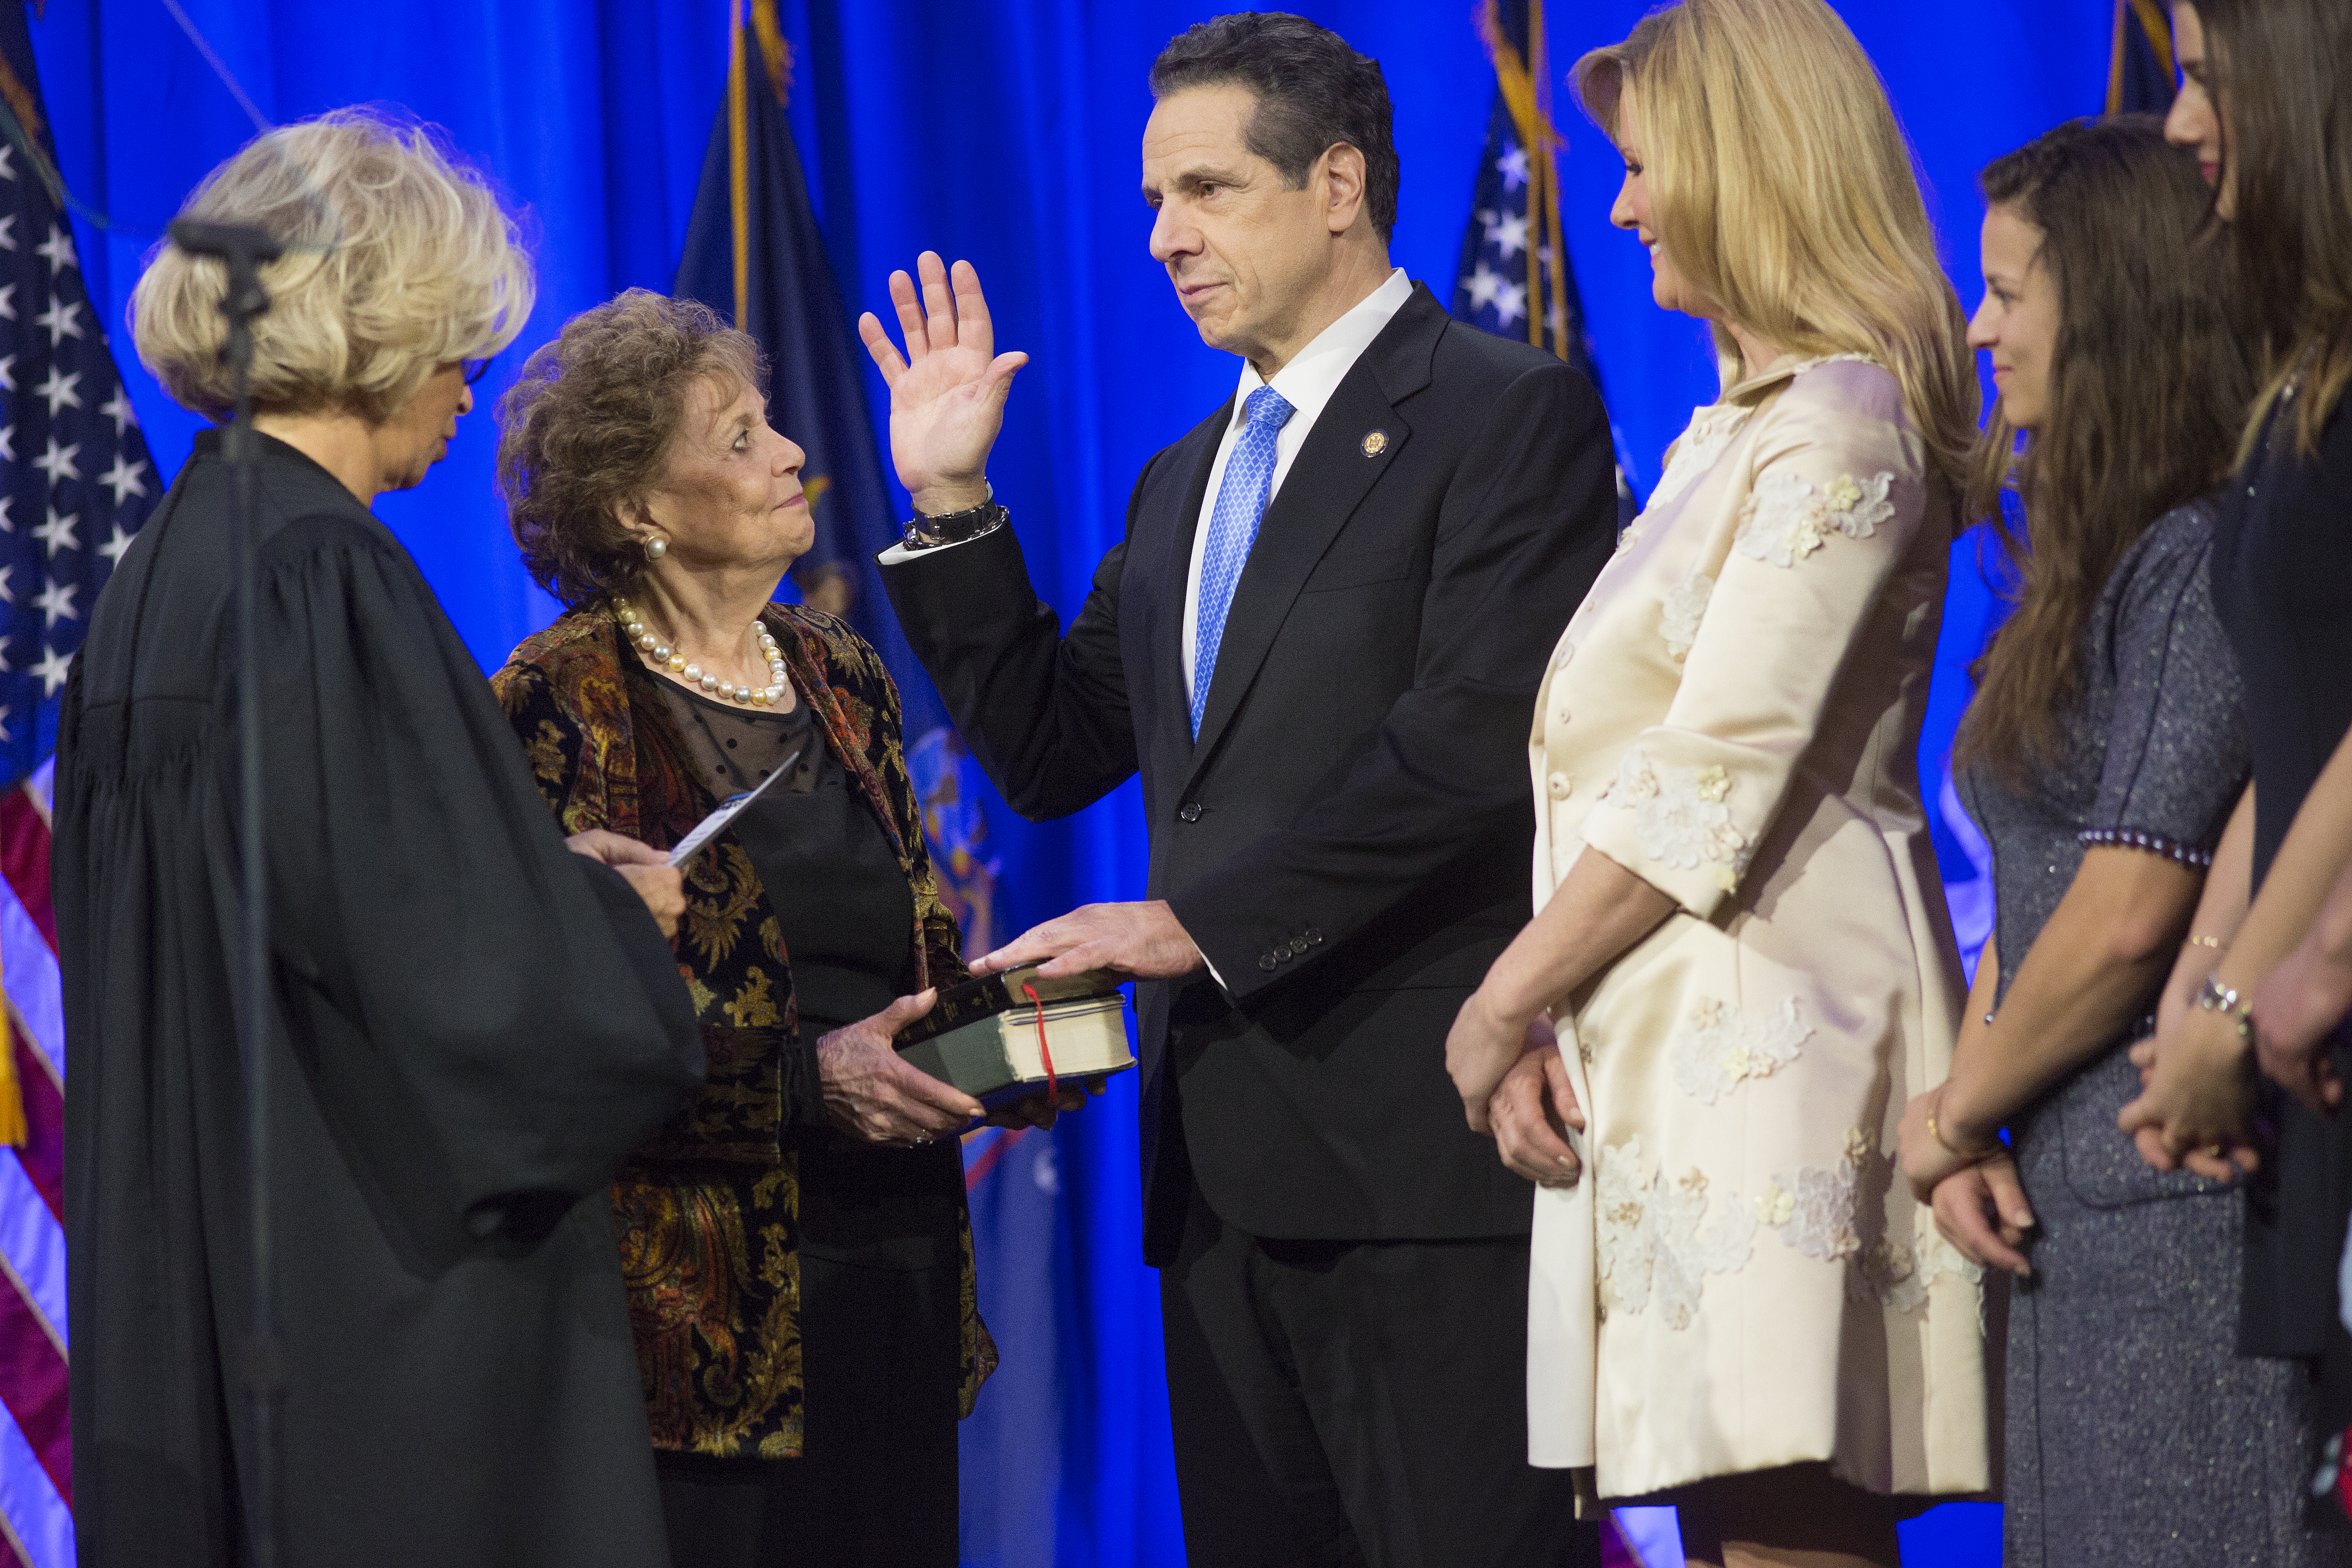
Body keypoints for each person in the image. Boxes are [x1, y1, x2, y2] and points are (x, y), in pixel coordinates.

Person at [866, 13, 1619, 1564]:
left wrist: (1187, 925)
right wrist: (952, 504)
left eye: (1204, 192)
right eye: (1153, 201)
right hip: (1220, 1192)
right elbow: (1055, 745)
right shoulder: (1185, 472)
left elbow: (1470, 747)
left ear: (1337, 184)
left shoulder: (1504, 413)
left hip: (1423, 1165)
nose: (1162, 238)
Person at [56, 111, 705, 1568]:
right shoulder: (318, 576)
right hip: (379, 1324)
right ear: (373, 324)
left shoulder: (162, 573)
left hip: (207, 1289)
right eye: (457, 340)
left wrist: (528, 885)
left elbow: (318, 909)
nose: (473, 380)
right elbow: (475, 1001)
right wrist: (610, 926)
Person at [1441, 0, 1998, 1561]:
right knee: (1724, 1525)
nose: (1614, 206)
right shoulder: (1739, 435)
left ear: (1751, 170)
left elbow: (1715, 776)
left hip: (1775, 1052)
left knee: (1784, 1525)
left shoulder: (1843, 432)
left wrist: (1501, 1006)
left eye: (1640, 167)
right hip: (1665, 1046)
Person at [492, 289, 1026, 1568]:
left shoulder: (842, 672)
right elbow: (552, 1052)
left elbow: (910, 961)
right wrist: (808, 1085)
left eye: (771, 425)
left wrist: (1014, 1037)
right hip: (701, 1338)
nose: (790, 453)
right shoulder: (550, 707)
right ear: (635, 510)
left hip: (895, 1268)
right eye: (737, 438)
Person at [1891, 116, 2327, 1566]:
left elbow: (2133, 897)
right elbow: (2040, 885)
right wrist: (1975, 1108)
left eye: (2009, 293)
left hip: (2181, 1217)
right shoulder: (2090, 573)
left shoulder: (2196, 559)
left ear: (2118, 309)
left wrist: (1949, 1120)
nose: (1978, 326)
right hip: (2074, 1223)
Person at [2122, 0, 2352, 1461]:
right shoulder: (2307, 379)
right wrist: (2199, 1004)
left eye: (2207, 82)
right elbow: (2287, 742)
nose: (2182, 123)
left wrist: (2256, 988)